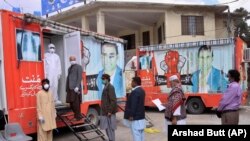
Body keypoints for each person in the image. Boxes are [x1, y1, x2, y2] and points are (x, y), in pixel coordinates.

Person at [124, 77, 145, 141]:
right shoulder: (142, 90)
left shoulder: (135, 92)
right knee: (141, 133)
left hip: (136, 117)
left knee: (136, 134)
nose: (131, 83)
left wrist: (131, 115)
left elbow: (134, 105)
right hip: (141, 116)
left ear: (135, 82)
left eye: (132, 82)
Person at [99, 74, 117, 141]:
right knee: (107, 128)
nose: (102, 80)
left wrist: (110, 111)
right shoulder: (106, 87)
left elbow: (113, 100)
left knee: (110, 128)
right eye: (102, 79)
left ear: (107, 79)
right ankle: (110, 139)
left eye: (103, 79)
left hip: (109, 112)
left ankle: (112, 140)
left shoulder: (110, 87)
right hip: (105, 111)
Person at [66, 56, 83, 121]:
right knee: (71, 103)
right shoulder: (69, 68)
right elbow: (69, 78)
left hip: (75, 88)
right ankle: (76, 115)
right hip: (70, 88)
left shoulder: (79, 67)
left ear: (75, 60)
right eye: (70, 60)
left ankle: (78, 117)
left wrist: (77, 86)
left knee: (76, 103)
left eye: (73, 59)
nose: (72, 60)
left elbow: (79, 77)